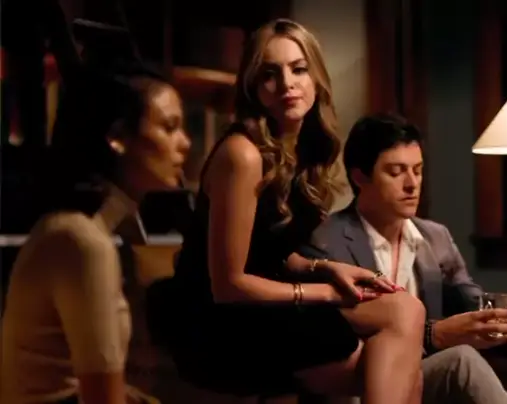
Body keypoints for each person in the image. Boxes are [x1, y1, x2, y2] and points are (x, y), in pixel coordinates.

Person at [156, 19, 425, 404]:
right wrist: (324, 293)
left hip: (270, 302)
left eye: (298, 69)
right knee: (401, 368)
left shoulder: (301, 147)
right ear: (253, 86)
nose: (287, 84)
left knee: (408, 311)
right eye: (270, 74)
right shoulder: (242, 155)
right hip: (220, 320)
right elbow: (228, 284)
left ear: (316, 78)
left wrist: (325, 268)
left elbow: (268, 247)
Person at [309, 113, 507, 404]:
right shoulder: (327, 242)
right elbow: (333, 340)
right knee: (461, 360)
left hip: (421, 381)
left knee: (463, 359)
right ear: (360, 177)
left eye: (417, 170)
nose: (412, 184)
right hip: (359, 384)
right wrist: (433, 335)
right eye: (396, 172)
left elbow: (476, 306)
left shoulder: (435, 237)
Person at [0, 61, 191, 404]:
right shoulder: (81, 241)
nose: (185, 144)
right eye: (169, 127)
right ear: (117, 138)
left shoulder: (83, 232)